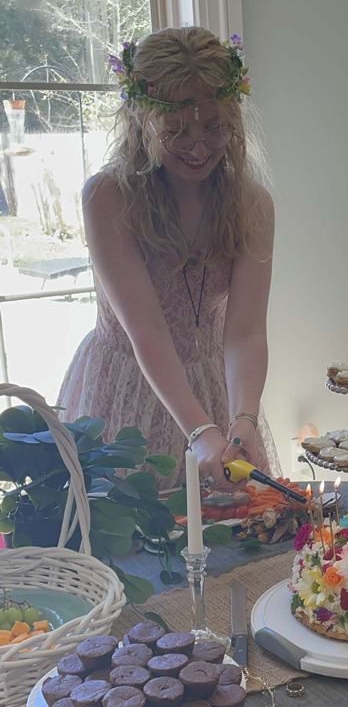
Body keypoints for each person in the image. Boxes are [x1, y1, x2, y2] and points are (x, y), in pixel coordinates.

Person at [58, 27, 280, 489]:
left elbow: (244, 330)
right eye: (176, 131)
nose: (198, 147)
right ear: (140, 121)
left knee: (232, 542)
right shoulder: (109, 197)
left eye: (213, 127)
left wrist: (243, 417)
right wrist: (200, 431)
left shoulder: (251, 204)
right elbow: (148, 330)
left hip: (213, 385)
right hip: (126, 387)